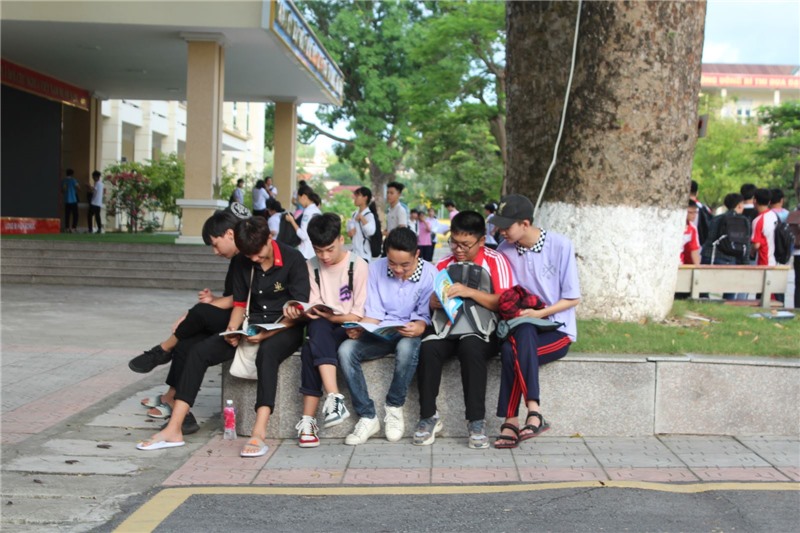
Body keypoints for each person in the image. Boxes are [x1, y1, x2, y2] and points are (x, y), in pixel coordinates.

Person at [136, 216, 310, 456]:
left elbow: (300, 311)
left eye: (258, 255)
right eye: (249, 256)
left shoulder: (293, 258)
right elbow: (239, 303)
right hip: (250, 324)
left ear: (269, 238)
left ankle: (259, 432)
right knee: (199, 352)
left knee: (267, 354)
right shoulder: (242, 260)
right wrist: (232, 330)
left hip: (285, 327)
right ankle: (174, 428)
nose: (254, 260)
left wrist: (271, 331)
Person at [130, 206, 249, 432]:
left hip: (244, 322)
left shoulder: (247, 256)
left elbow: (242, 299)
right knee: (187, 342)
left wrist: (199, 310)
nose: (215, 252)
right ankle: (178, 407)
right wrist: (213, 300)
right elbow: (234, 296)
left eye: (215, 244)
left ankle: (163, 349)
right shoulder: (237, 259)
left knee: (199, 314)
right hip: (232, 314)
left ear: (230, 234)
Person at [415, 211, 513, 448]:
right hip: (448, 329)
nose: (458, 250)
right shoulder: (443, 264)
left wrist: (470, 292)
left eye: (465, 245)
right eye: (454, 242)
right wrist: (432, 302)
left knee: (471, 347)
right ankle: (428, 416)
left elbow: (505, 303)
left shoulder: (495, 260)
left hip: (483, 330)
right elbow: (428, 304)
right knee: (428, 348)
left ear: (482, 240)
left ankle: (476, 421)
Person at [491, 194, 580, 449]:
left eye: (506, 226)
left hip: (557, 330)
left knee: (513, 350)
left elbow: (573, 297)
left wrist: (540, 314)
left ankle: (511, 421)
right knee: (521, 334)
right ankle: (534, 412)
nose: (501, 231)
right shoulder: (504, 250)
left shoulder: (560, 246)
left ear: (525, 224)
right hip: (522, 327)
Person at [338, 228, 436, 445]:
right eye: (392, 263)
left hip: (408, 333)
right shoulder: (375, 269)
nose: (398, 269)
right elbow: (374, 312)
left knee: (406, 348)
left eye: (405, 265)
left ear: (417, 254)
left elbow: (424, 316)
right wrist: (361, 328)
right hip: (380, 332)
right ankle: (367, 416)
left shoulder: (430, 274)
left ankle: (394, 406)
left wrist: (419, 327)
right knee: (345, 350)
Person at [285, 213, 369, 447]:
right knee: (316, 329)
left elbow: (359, 313)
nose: (324, 256)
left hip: (348, 327)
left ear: (341, 240)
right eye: (318, 250)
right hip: (322, 325)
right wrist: (305, 311)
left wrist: (334, 317)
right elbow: (313, 303)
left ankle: (309, 421)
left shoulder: (358, 266)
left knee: (312, 344)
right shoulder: (311, 266)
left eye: (329, 249)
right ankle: (333, 399)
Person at [286, 184, 322, 259]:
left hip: (306, 253)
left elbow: (303, 235)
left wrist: (292, 221)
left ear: (304, 197)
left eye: (298, 198)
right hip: (315, 252)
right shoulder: (317, 211)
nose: (299, 202)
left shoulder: (308, 212)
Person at [346, 186, 377, 262]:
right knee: (350, 269)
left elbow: (371, 231)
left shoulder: (369, 215)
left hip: (364, 254)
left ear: (365, 198)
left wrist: (362, 218)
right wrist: (350, 233)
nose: (355, 198)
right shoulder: (354, 214)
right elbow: (349, 232)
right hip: (354, 252)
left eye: (358, 196)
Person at [751, 188, 778, 267]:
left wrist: (751, 251)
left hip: (764, 261)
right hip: (774, 260)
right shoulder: (773, 215)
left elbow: (756, 245)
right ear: (769, 202)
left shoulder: (758, 221)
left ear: (754, 201)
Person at [681, 201, 701, 265]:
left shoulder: (692, 229)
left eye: (695, 212)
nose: (694, 215)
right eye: (690, 212)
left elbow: (694, 250)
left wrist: (698, 268)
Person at [61, 168, 80, 233]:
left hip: (66, 200)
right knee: (75, 215)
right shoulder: (73, 180)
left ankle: (67, 228)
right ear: (72, 174)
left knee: (67, 215)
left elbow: (62, 190)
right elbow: (78, 187)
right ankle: (73, 228)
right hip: (73, 200)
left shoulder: (64, 181)